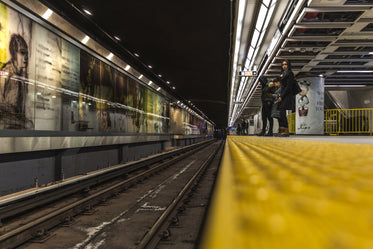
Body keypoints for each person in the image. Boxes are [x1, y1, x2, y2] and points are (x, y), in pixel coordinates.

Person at [0, 34, 33, 129]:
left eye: (27, 53)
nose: (26, 57)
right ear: (14, 53)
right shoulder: (5, 73)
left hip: (17, 128)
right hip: (6, 128)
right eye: (22, 53)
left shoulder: (23, 77)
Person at [276, 59, 296, 137]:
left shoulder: (290, 73)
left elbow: (288, 86)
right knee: (281, 113)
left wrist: (281, 96)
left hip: (286, 95)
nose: (284, 66)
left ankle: (286, 131)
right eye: (283, 65)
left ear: (288, 65)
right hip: (282, 94)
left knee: (282, 112)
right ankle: (282, 130)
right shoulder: (282, 74)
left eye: (286, 64)